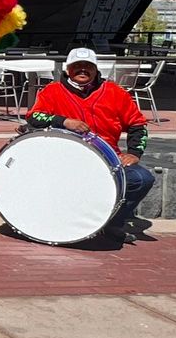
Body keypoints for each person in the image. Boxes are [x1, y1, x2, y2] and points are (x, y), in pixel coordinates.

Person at [27, 47, 153, 244]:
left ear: (95, 69)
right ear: (68, 69)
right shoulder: (52, 91)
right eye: (77, 66)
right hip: (63, 159)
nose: (82, 70)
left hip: (107, 159)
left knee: (142, 179)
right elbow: (34, 117)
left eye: (88, 66)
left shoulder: (115, 92)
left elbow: (138, 124)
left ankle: (112, 222)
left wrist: (135, 153)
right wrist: (64, 121)